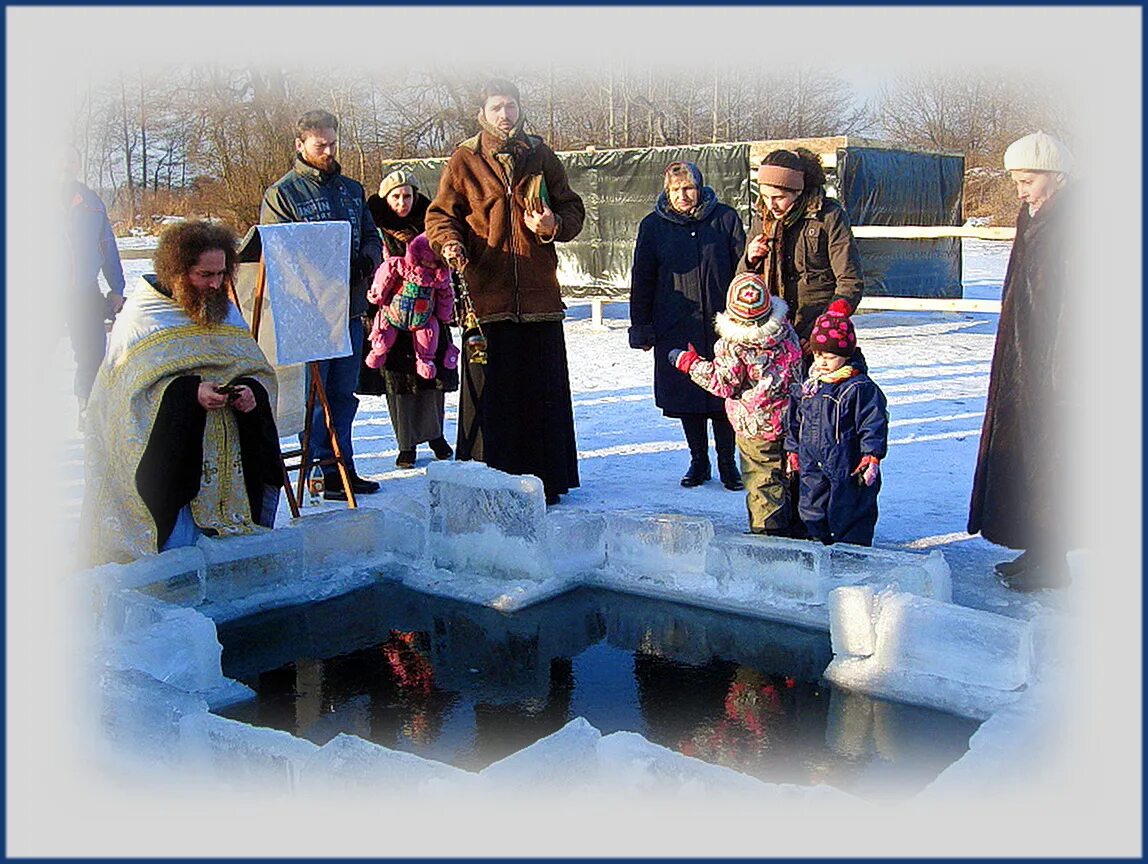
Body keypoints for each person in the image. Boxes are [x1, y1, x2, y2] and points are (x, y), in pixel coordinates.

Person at [80, 221, 284, 565]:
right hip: (175, 467)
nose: (216, 284)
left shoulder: (226, 311)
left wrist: (251, 393)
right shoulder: (144, 316)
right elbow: (125, 396)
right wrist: (189, 393)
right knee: (180, 562)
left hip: (228, 468)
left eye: (222, 274)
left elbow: (255, 370)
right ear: (177, 272)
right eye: (205, 275)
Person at [425, 78, 585, 506]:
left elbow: (573, 208)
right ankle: (485, 481)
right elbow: (440, 216)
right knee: (490, 394)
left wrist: (553, 226)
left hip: (538, 298)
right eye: (497, 107)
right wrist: (450, 243)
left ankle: (546, 481)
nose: (505, 115)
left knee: (540, 392)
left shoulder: (540, 153)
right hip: (487, 300)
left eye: (510, 105)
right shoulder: (464, 159)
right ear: (483, 112)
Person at [968, 131, 1074, 592]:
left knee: (1054, 461)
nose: (1020, 190)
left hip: (1057, 362)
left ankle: (1055, 561)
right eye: (1016, 181)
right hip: (1023, 357)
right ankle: (1037, 549)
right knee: (1030, 458)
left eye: (1027, 180)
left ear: (1057, 176)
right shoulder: (1033, 216)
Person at [260, 109, 383, 501]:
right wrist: (322, 264)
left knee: (345, 393)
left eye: (332, 143)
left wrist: (366, 256)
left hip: (348, 306)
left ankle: (342, 465)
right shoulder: (283, 194)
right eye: (320, 145)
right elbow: (277, 252)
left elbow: (371, 235)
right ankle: (318, 469)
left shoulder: (352, 189)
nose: (328, 151)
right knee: (315, 396)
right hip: (310, 313)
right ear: (300, 145)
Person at [630, 161, 748, 491]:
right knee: (688, 395)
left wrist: (747, 316)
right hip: (675, 322)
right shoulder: (653, 226)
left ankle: (727, 461)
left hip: (725, 325)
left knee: (726, 392)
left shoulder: (725, 218)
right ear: (667, 192)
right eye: (676, 190)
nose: (683, 195)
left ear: (700, 187)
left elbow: (744, 269)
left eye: (689, 188)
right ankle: (699, 460)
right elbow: (642, 277)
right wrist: (641, 324)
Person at [667, 273, 804, 534]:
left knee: (763, 482)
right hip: (792, 421)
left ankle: (768, 536)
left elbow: (724, 383)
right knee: (789, 476)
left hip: (755, 428)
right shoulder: (785, 332)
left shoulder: (734, 345)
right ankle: (796, 528)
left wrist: (690, 363)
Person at [364, 169, 457, 469]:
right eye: (395, 196)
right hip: (391, 314)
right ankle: (406, 443)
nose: (402, 202)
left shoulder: (430, 225)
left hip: (428, 312)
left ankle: (436, 434)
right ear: (385, 198)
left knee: (433, 377)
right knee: (400, 382)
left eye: (407, 195)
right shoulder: (375, 226)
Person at [784, 299, 889, 547]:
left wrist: (871, 455)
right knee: (811, 503)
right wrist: (792, 448)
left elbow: (873, 423)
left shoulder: (859, 387)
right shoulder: (809, 384)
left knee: (850, 507)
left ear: (845, 355)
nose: (821, 362)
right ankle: (816, 543)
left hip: (847, 461)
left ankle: (852, 550)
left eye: (829, 357)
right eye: (818, 355)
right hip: (811, 458)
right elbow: (795, 418)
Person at [740, 148, 865, 354]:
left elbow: (850, 282)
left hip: (817, 337)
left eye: (779, 197)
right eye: (765, 196)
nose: (771, 205)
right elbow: (742, 283)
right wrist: (749, 260)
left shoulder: (829, 216)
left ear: (798, 191)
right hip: (772, 336)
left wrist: (821, 329)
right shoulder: (762, 218)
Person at [63, 145, 126, 420]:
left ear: (77, 165)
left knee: (91, 353)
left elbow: (107, 246)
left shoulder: (91, 202)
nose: (64, 167)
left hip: (84, 291)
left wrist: (116, 288)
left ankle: (87, 409)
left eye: (70, 161)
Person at [365, 233, 459, 381]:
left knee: (429, 333)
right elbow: (385, 275)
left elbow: (446, 298)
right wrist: (378, 295)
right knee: (384, 327)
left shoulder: (439, 280)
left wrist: (445, 315)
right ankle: (378, 350)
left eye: (433, 262)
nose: (428, 265)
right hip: (393, 312)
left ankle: (425, 359)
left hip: (422, 318)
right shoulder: (401, 266)